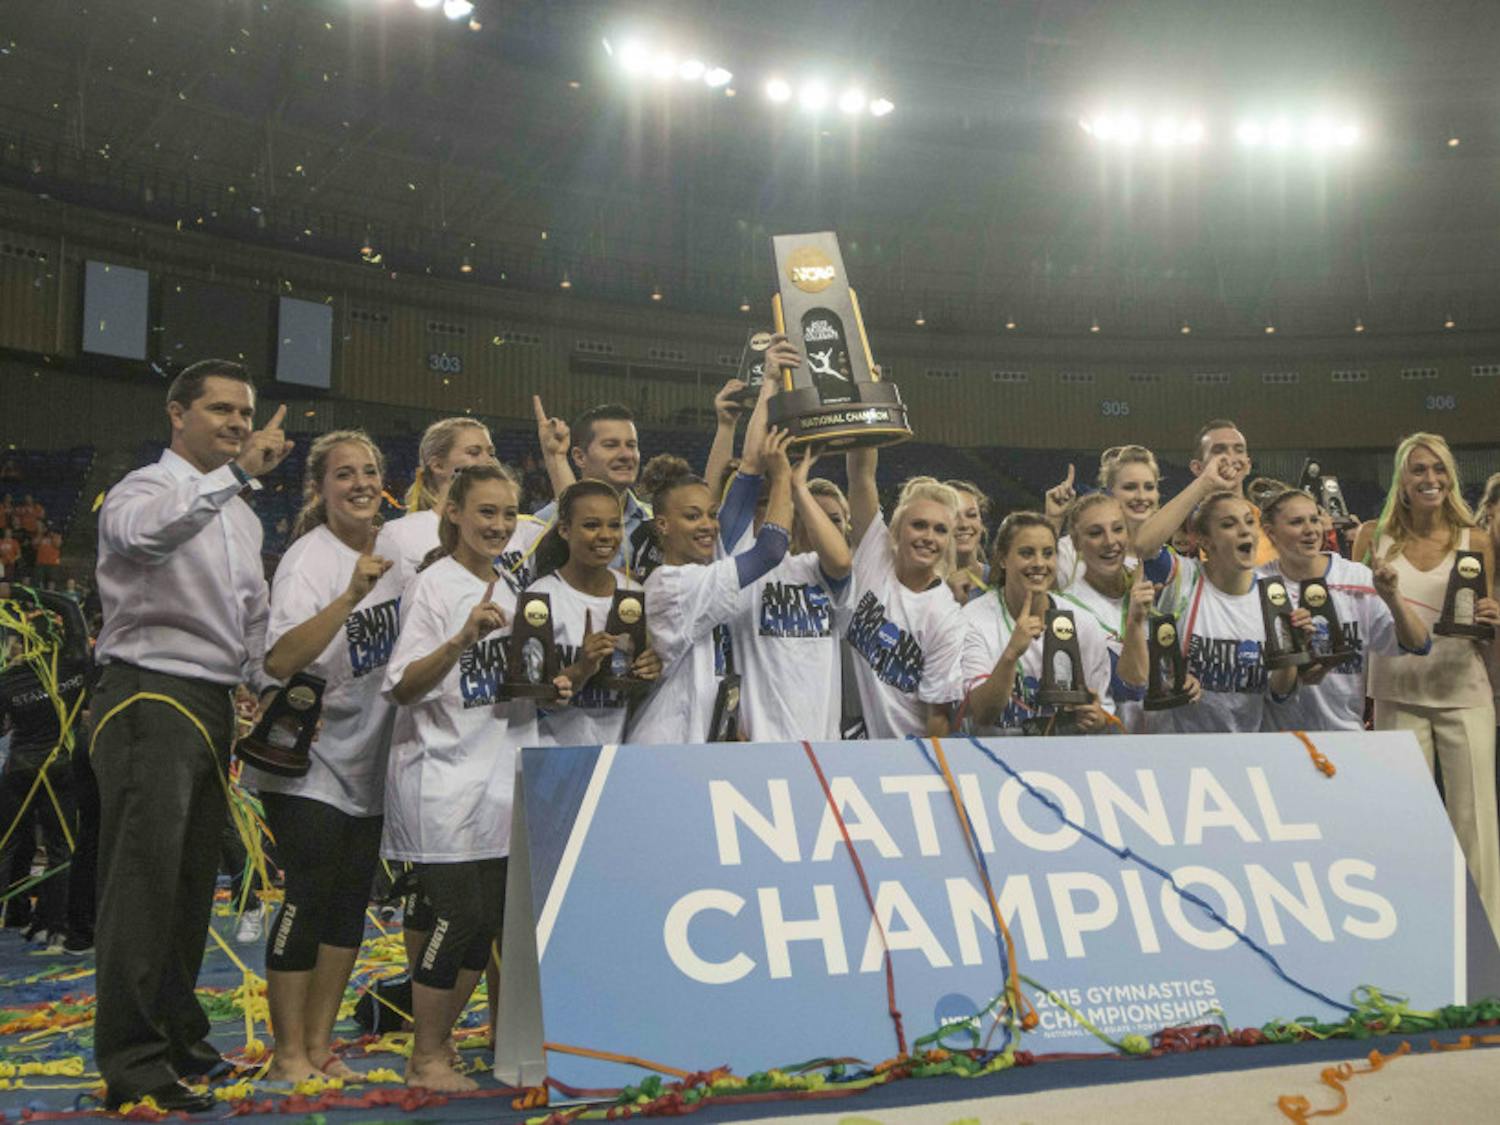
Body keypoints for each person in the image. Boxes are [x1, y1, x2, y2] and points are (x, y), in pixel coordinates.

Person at [91, 359, 290, 1112]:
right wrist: (234, 475)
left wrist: (274, 688)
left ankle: (179, 1039)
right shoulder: (142, 488)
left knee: (187, 886)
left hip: (211, 702)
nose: (239, 423)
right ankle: (133, 1063)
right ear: (177, 414)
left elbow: (252, 619)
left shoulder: (242, 514)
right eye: (221, 409)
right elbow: (144, 539)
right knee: (144, 885)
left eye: (245, 412)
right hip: (147, 692)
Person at [382, 461, 572, 1092]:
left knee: (483, 923)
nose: (498, 524)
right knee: (458, 918)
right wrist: (461, 640)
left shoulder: (511, 589)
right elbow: (403, 687)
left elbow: (511, 681)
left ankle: (437, 1047)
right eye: (485, 512)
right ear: (455, 514)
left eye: (507, 513)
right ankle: (425, 1057)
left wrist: (554, 685)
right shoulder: (433, 586)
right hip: (443, 779)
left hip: (499, 781)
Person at [246, 430, 404, 1083]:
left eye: (369, 471)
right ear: (321, 488)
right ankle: (287, 1054)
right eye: (345, 474)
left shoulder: (397, 550)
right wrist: (348, 597)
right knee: (308, 897)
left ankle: (318, 1043)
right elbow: (280, 659)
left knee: (347, 907)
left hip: (370, 758)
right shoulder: (309, 559)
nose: (361, 483)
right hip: (306, 762)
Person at [1352, 434, 1500, 933]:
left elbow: (1483, 621)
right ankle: (1409, 928)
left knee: (1475, 821)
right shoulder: (1371, 537)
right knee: (1403, 820)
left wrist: (1493, 615)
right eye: (1418, 469)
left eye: (1438, 469)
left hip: (1464, 690)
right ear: (1401, 479)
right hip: (1396, 691)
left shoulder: (1475, 540)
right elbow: (1357, 615)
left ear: (1451, 478)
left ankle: (1488, 935)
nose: (1430, 478)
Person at [626, 432, 795, 744]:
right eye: (692, 516)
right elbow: (770, 550)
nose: (708, 525)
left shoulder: (699, 576)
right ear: (662, 524)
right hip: (666, 743)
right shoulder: (673, 584)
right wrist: (783, 477)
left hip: (696, 740)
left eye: (711, 514)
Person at [1255, 482, 1429, 732]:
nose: (1310, 530)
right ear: (1270, 532)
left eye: (1315, 519)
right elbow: (1267, 686)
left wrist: (1393, 597)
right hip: (1279, 738)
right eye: (1296, 522)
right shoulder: (1258, 585)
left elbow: (1419, 644)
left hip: (1346, 734)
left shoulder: (1355, 577)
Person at [1143, 491, 1308, 734]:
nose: (1244, 531)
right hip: (1177, 744)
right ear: (1205, 541)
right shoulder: (1183, 577)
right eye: (1229, 524)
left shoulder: (1273, 594)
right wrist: (1205, 482)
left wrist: (1292, 651)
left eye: (1249, 522)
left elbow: (1279, 692)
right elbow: (1144, 546)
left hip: (1242, 747)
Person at [961, 511, 1137, 735]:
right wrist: (1011, 654)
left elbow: (1102, 709)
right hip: (993, 753)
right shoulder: (973, 620)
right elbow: (982, 714)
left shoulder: (1083, 623)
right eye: (1026, 553)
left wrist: (1097, 719)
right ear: (1003, 558)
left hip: (1065, 753)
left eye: (1048, 553)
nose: (1039, 563)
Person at [527, 480, 662, 748]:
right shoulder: (541, 597)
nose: (606, 535)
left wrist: (651, 670)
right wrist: (582, 669)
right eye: (591, 525)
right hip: (552, 755)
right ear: (564, 530)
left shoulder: (633, 593)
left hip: (617, 756)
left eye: (614, 525)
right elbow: (534, 699)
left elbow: (636, 694)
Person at [844, 449, 967, 740]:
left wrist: (925, 764)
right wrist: (869, 427)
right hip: (855, 744)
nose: (928, 537)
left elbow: (938, 715)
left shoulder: (945, 616)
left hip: (909, 749)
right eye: (919, 525)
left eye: (940, 530)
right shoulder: (875, 554)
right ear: (897, 528)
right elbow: (861, 476)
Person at [0, 589, 90, 951]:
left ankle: (19, 913)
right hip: (61, 767)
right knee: (60, 848)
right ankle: (55, 929)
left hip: (20, 768)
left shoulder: (8, 679)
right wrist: (18, 590)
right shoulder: (73, 660)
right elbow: (69, 606)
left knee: (7, 845)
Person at [1056, 494, 1174, 732]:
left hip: (1163, 742)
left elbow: (1168, 675)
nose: (1110, 541)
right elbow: (1132, 689)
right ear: (1076, 543)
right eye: (1095, 533)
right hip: (1105, 746)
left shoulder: (1153, 590)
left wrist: (1182, 680)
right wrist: (1135, 622)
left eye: (1118, 529)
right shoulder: (1065, 611)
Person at [532, 398, 652, 578]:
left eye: (631, 445)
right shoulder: (543, 524)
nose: (626, 455)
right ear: (580, 457)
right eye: (611, 445)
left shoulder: (655, 522)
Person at [377, 418, 500, 591]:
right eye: (474, 453)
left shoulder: (511, 529)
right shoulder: (399, 535)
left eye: (491, 454)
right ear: (438, 465)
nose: (489, 461)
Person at [946, 480, 992, 603]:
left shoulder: (1003, 583)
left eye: (971, 515)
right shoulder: (921, 589)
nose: (964, 524)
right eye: (953, 516)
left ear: (981, 523)